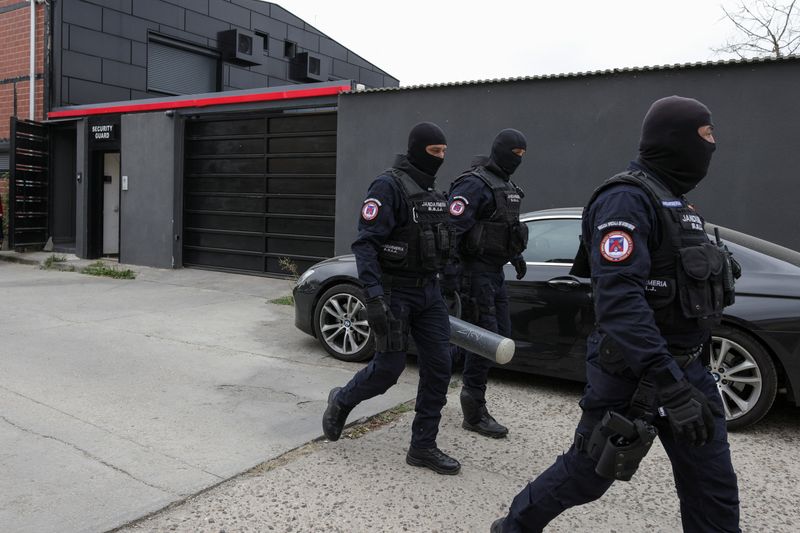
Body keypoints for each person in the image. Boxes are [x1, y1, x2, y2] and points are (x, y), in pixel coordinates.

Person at [491, 96, 741, 532]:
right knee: (588, 473)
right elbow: (620, 303)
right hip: (636, 376)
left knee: (712, 488)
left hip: (689, 370)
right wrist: (670, 386)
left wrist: (684, 384)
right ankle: (513, 526)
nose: (713, 145)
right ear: (674, 139)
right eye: (706, 135)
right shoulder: (625, 200)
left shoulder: (679, 207)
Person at [322, 122, 461, 475]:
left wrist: (449, 283)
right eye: (434, 152)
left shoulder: (432, 191)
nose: (441, 158)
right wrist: (373, 297)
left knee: (440, 368)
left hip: (428, 293)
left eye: (444, 152)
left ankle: (423, 446)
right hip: (395, 291)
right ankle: (341, 400)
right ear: (416, 149)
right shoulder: (388, 186)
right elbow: (365, 245)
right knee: (387, 370)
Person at [445, 129, 528, 439]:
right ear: (499, 151)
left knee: (497, 338)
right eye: (514, 153)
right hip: (473, 275)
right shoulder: (474, 184)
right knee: (486, 341)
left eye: (522, 155)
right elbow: (452, 232)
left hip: (494, 273)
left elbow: (507, 228)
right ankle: (474, 409)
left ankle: (438, 374)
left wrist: (516, 256)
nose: (518, 159)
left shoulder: (507, 186)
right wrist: (451, 276)